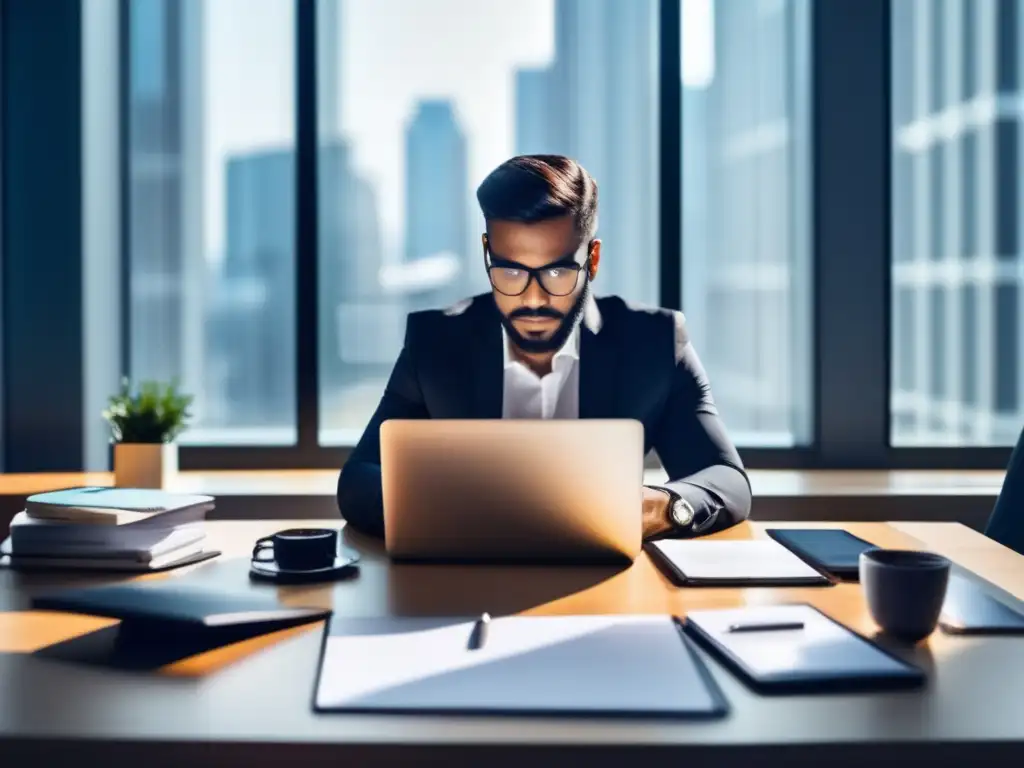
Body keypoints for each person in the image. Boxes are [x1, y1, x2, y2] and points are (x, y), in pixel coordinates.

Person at [337, 154, 751, 539]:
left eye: (556, 272)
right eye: (511, 271)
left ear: (592, 259)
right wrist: (449, 508)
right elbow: (359, 480)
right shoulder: (435, 343)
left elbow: (726, 478)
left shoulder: (655, 342)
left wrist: (662, 507)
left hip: (606, 589)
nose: (533, 299)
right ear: (487, 254)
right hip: (459, 585)